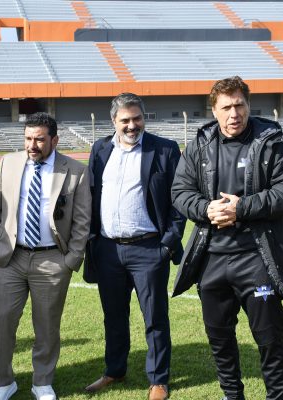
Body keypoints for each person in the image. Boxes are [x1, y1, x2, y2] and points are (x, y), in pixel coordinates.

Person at [171, 76, 283, 400]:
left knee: (270, 339)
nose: (234, 114)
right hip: (211, 260)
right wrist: (206, 209)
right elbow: (180, 191)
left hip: (257, 257)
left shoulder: (270, 139)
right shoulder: (201, 143)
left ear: (248, 104)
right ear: (214, 110)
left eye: (239, 105)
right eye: (226, 107)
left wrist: (242, 208)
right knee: (219, 339)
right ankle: (232, 395)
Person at [85, 93, 186, 400]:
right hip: (108, 250)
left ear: (145, 117)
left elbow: (179, 201)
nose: (132, 125)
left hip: (149, 249)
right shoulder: (100, 149)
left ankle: (158, 380)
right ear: (113, 121)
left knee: (155, 318)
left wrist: (167, 244)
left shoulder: (165, 149)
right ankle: (114, 370)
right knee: (114, 316)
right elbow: (91, 195)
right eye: (125, 120)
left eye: (137, 118)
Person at [0, 112, 90, 400]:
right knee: (3, 319)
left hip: (52, 260)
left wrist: (71, 259)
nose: (32, 145)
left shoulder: (76, 171)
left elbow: (82, 221)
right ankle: (2, 383)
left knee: (46, 325)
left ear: (54, 140)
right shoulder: (9, 162)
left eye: (40, 139)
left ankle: (42, 382)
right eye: (28, 138)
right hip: (11, 258)